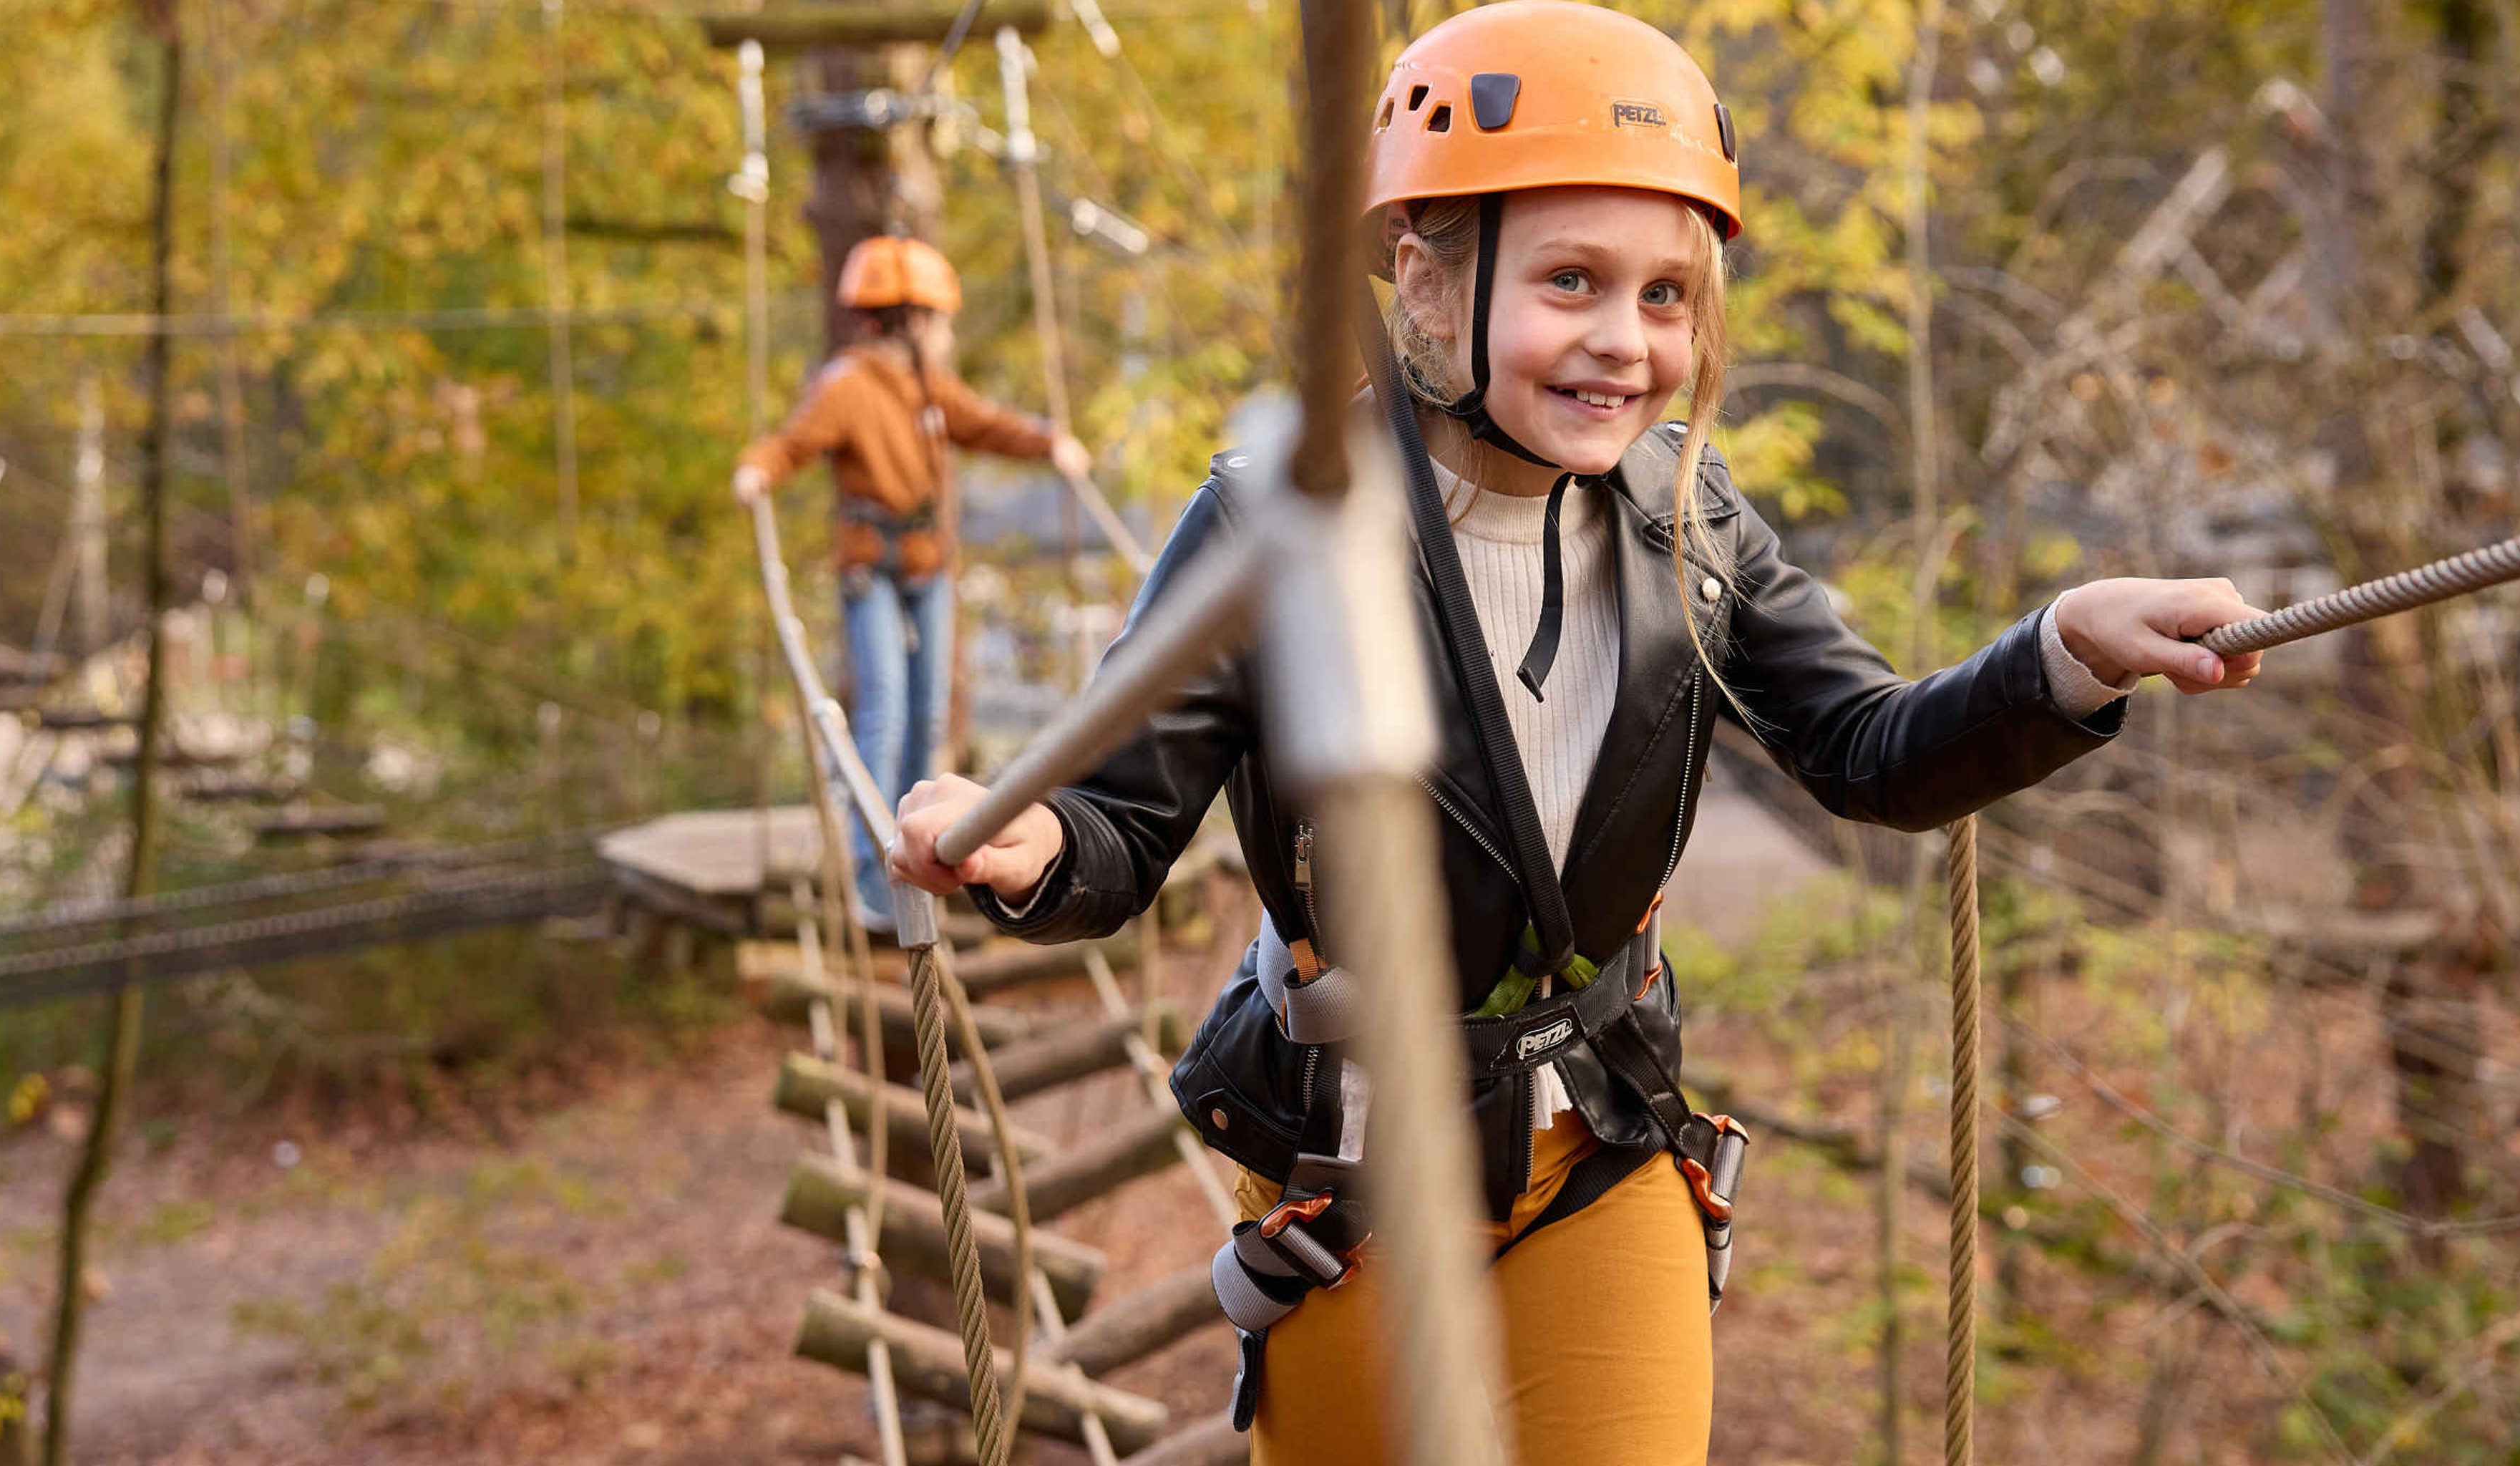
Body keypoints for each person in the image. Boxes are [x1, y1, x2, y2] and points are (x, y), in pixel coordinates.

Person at [888, 4, 2263, 1461]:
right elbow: (1121, 828)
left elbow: (1872, 749)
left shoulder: (1690, 520)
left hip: (1605, 1133)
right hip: (1356, 1167)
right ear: (1426, 287)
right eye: (1571, 281)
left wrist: (2064, 654)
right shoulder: (1278, 521)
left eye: (1667, 295)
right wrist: (1032, 840)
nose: (1625, 341)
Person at [733, 235, 1091, 931]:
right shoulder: (847, 385)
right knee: (885, 713)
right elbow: (793, 443)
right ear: (911, 320)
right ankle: (874, 879)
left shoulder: (930, 386)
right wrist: (757, 470)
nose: (947, 332)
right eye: (940, 319)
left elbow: (986, 425)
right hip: (872, 567)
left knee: (928, 716)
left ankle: (918, 855)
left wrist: (1049, 441)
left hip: (929, 566)